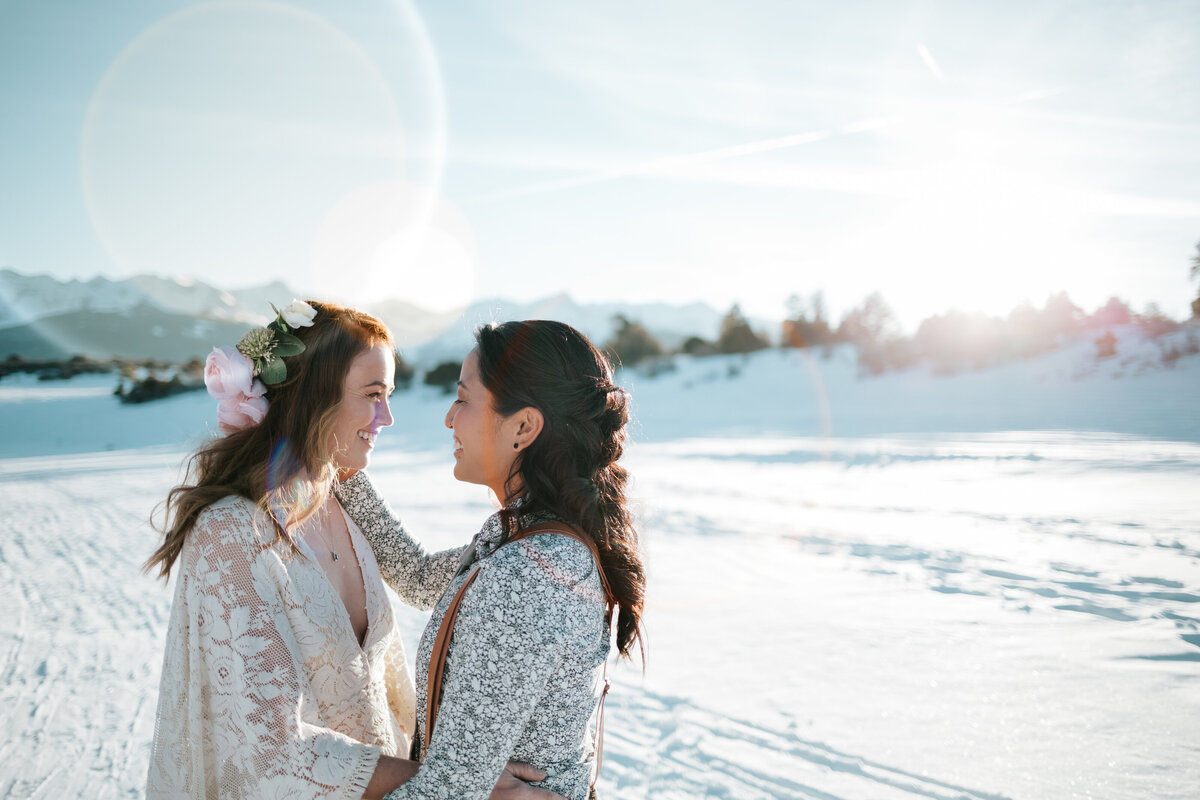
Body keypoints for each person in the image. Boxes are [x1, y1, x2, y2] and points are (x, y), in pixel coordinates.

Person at [144, 301, 557, 800]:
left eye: (389, 394)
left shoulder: (344, 487)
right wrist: (464, 785)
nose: (387, 416)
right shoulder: (230, 535)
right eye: (373, 394)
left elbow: (419, 576)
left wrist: (533, 534)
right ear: (313, 397)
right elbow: (273, 755)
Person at [335, 320, 647, 800]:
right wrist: (337, 462)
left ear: (523, 426)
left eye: (462, 399)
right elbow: (418, 577)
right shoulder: (531, 538)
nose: (448, 419)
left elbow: (446, 793)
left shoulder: (529, 575)